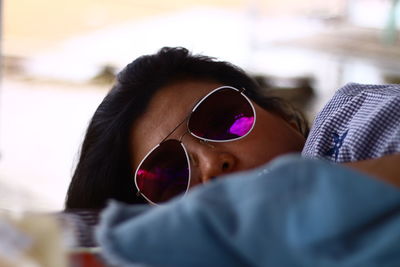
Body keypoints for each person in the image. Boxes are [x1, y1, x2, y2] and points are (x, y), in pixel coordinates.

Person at [65, 47, 400, 210]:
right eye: (168, 176)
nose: (213, 164)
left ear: (276, 112)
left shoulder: (356, 117)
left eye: (223, 119)